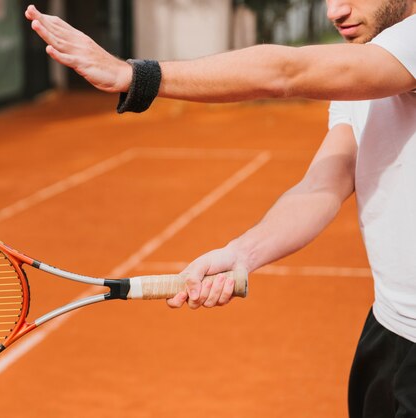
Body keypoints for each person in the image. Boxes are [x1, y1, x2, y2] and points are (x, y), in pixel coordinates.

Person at [25, 1, 416, 416]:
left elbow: (285, 72)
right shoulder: (363, 74)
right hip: (387, 330)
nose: (334, 11)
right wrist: (241, 253)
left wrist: (135, 76)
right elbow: (323, 184)